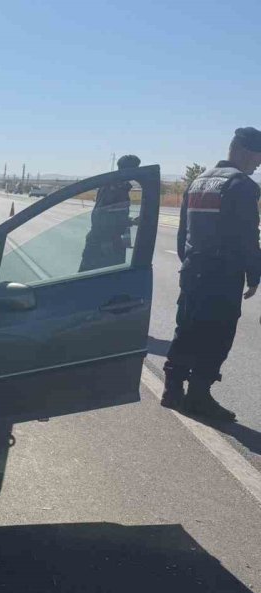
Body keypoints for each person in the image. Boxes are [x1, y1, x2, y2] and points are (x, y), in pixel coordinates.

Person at [161, 127, 261, 420]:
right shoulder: (241, 185)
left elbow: (183, 234)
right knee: (216, 336)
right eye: (258, 156)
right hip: (221, 276)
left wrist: (190, 262)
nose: (259, 163)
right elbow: (247, 238)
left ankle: (172, 389)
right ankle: (199, 397)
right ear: (242, 151)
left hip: (193, 271)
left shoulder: (198, 181)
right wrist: (254, 275)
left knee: (187, 329)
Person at [78, 154, 141, 272]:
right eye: (136, 168)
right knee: (90, 281)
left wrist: (130, 221)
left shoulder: (119, 186)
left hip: (111, 242)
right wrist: (106, 243)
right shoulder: (113, 187)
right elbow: (100, 217)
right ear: (129, 170)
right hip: (103, 244)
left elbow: (114, 215)